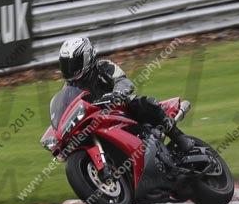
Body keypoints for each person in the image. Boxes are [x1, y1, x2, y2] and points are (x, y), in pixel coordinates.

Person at [58, 36, 193, 153]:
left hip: (119, 108)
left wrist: (117, 94)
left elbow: (123, 81)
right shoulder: (69, 87)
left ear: (86, 57)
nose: (69, 69)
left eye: (73, 64)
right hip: (94, 120)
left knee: (144, 103)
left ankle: (180, 138)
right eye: (66, 65)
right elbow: (65, 109)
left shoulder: (104, 67)